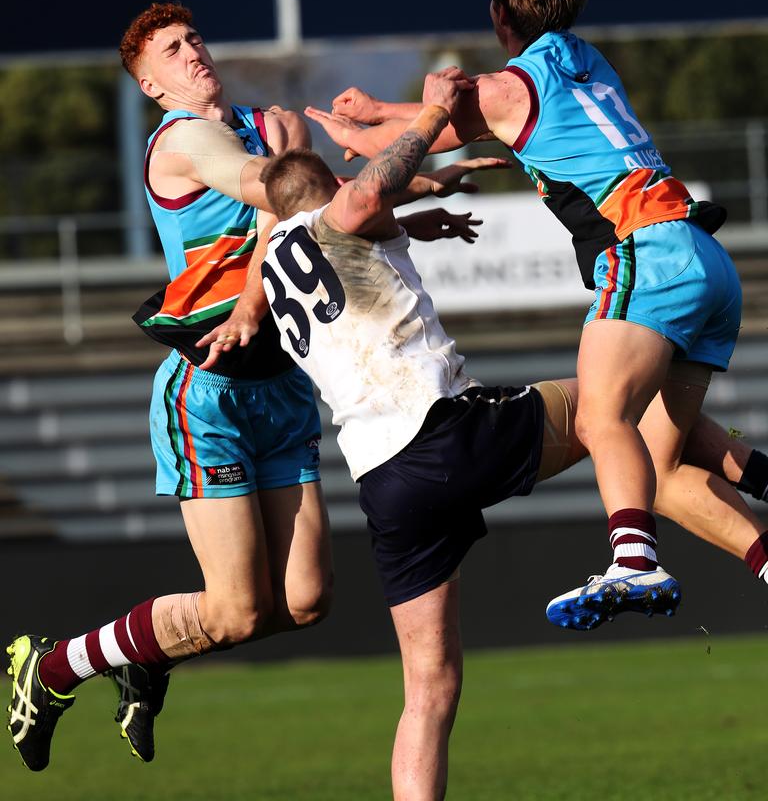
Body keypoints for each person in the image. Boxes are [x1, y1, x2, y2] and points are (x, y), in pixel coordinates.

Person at [4, 4, 504, 775]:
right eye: (172, 50)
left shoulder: (251, 121)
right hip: (209, 392)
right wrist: (308, 157)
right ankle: (55, 667)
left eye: (195, 38)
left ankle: (147, 657)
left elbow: (324, 196)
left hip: (282, 388)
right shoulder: (184, 140)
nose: (193, 52)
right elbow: (275, 188)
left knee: (305, 600)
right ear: (149, 83)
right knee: (236, 609)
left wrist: (421, 195)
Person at [259, 83, 768, 801]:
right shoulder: (340, 212)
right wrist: (434, 114)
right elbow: (360, 203)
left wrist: (424, 202)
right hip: (443, 429)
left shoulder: (274, 261)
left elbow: (357, 223)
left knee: (428, 691)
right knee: (613, 406)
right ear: (332, 185)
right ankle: (734, 492)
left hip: (384, 482)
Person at [305, 0, 744, 630]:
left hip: (645, 250)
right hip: (704, 260)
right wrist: (382, 112)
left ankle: (633, 561)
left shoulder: (511, 85)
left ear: (498, 10)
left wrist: (360, 129)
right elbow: (460, 113)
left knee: (604, 416)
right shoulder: (585, 59)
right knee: (658, 467)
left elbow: (445, 124)